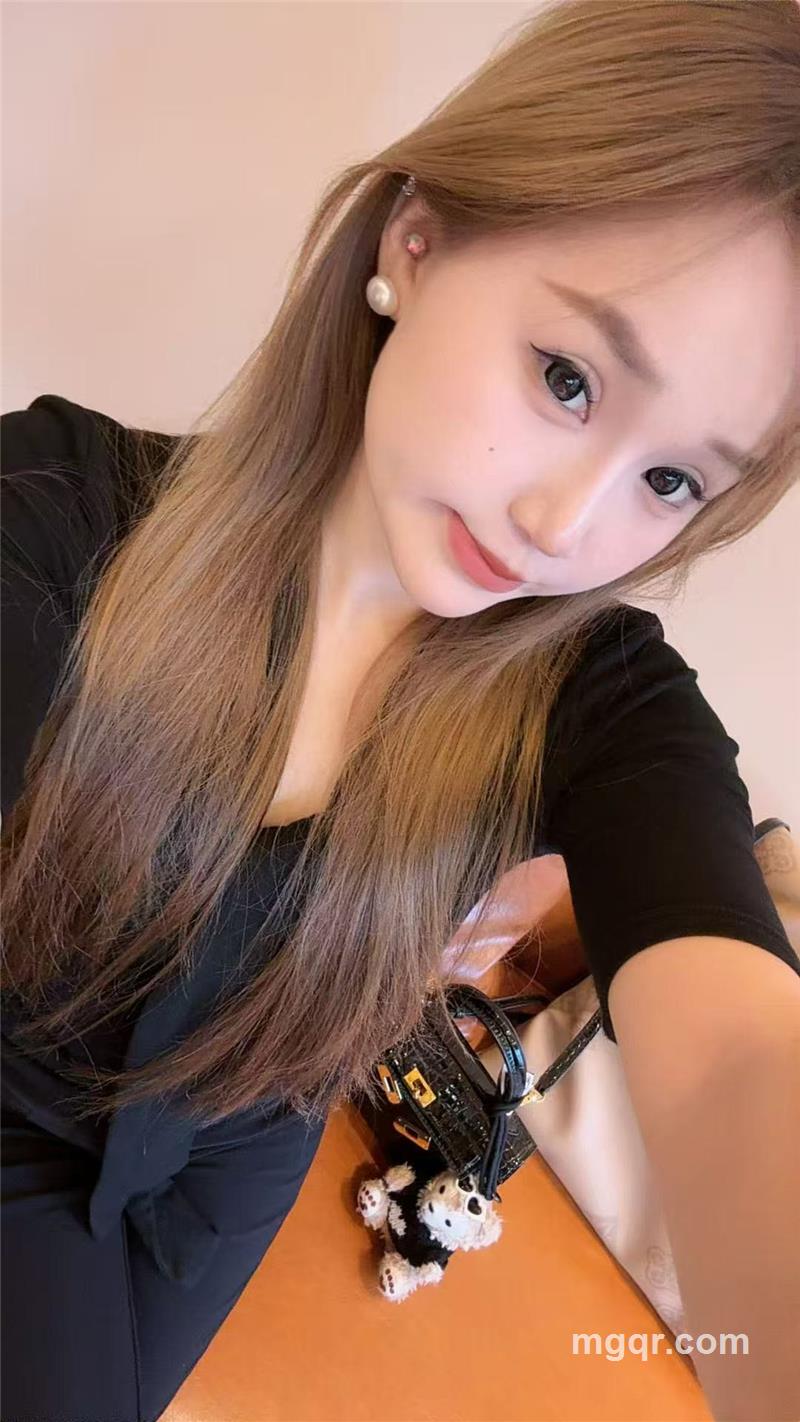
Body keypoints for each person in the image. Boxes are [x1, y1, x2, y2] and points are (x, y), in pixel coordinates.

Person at [2, 1, 800, 1418]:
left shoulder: (595, 699)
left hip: (238, 1140)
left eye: (672, 480)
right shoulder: (48, 526)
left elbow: (739, 1047)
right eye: (568, 379)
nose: (567, 524)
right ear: (416, 245)